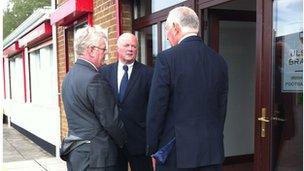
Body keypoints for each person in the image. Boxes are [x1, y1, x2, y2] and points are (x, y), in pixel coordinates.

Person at [146, 6, 228, 171]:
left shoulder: (166, 59)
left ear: (176, 28)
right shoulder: (219, 61)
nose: (168, 37)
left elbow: (156, 109)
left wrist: (153, 150)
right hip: (212, 151)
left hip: (176, 154)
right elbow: (221, 108)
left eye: (167, 30)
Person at [61, 26, 127, 171]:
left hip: (77, 155)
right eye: (103, 49)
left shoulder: (68, 77)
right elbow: (110, 121)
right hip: (96, 158)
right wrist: (124, 144)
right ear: (91, 50)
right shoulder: (94, 79)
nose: (106, 54)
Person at [99, 33, 153, 171]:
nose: (130, 49)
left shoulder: (148, 73)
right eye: (127, 45)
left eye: (134, 46)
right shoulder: (104, 72)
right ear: (117, 48)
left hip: (139, 142)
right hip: (113, 142)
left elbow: (152, 107)